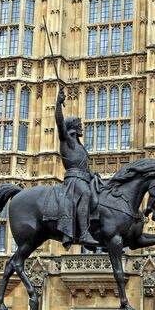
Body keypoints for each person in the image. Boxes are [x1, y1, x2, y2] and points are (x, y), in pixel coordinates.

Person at [55, 88, 100, 246]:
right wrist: (58, 104)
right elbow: (60, 123)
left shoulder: (80, 146)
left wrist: (94, 175)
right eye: (79, 125)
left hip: (84, 177)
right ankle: (84, 234)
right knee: (86, 193)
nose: (82, 127)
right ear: (73, 127)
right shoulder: (67, 140)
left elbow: (85, 166)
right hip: (74, 179)